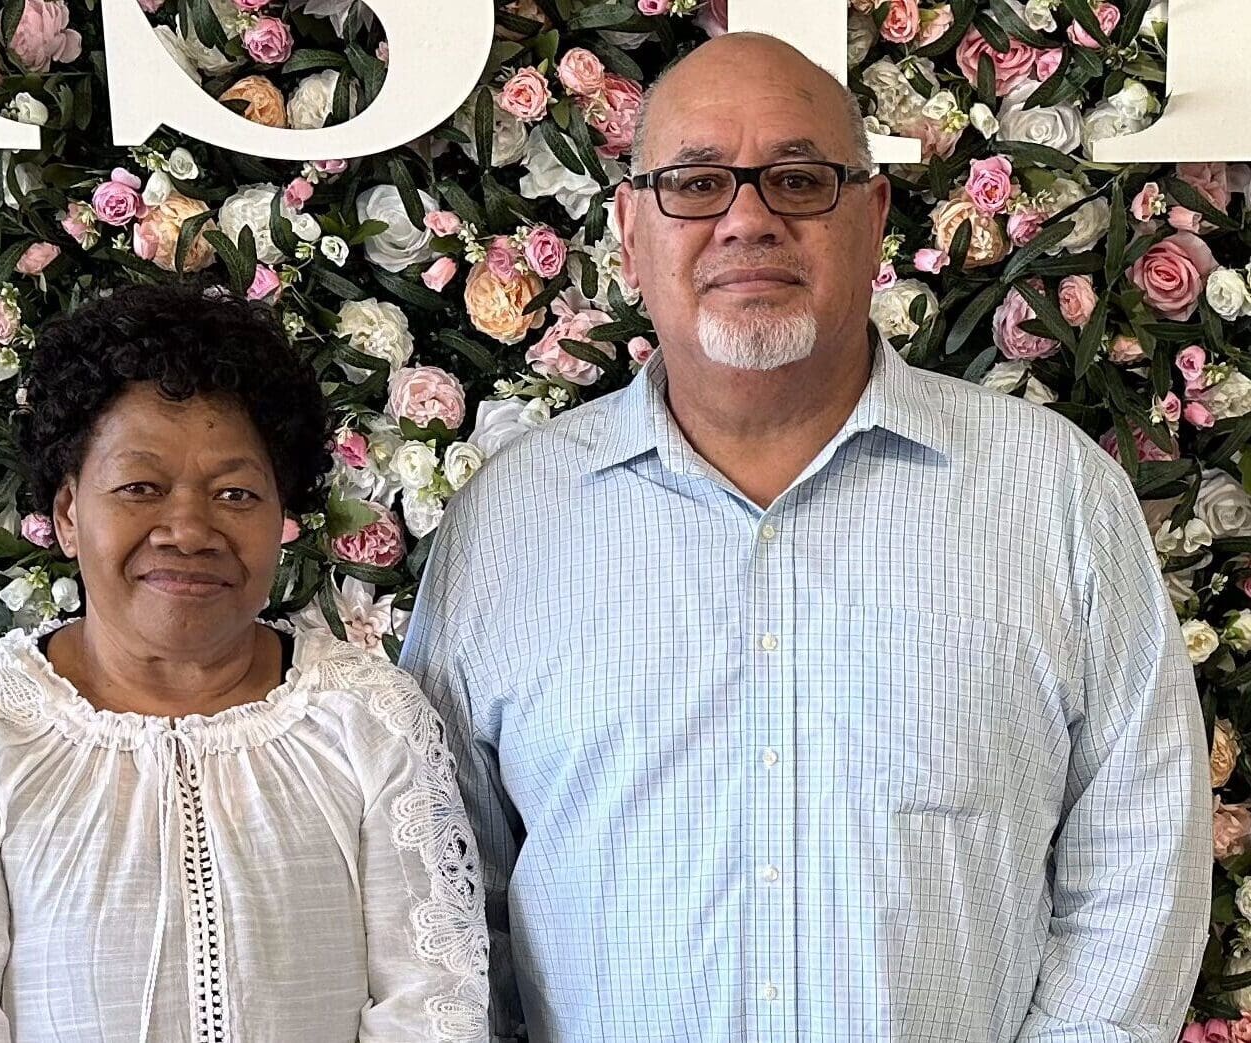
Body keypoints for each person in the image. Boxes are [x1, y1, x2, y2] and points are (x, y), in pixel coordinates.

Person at [401, 31, 1211, 1043]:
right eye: (695, 182)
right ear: (628, 230)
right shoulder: (506, 524)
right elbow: (436, 891)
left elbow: (1138, 860)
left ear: (870, 217)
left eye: (796, 178)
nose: (747, 219)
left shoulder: (1048, 495)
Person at [0, 282, 489, 1042]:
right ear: (66, 513)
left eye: (235, 492)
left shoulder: (368, 716)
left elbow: (433, 1007)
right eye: (139, 487)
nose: (189, 529)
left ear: (280, 518)